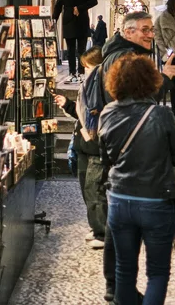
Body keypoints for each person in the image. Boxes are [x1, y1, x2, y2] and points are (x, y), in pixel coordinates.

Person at [91, 11, 175, 301]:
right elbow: (133, 102)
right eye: (143, 29)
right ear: (127, 32)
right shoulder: (124, 58)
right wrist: (164, 79)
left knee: (121, 241)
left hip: (123, 171)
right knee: (135, 256)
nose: (149, 34)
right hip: (133, 168)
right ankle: (113, 287)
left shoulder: (123, 53)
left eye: (151, 29)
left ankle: (117, 289)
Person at [63, 46, 107, 248]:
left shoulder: (102, 89)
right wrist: (66, 104)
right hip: (83, 144)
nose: (85, 72)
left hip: (96, 146)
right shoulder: (87, 89)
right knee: (86, 189)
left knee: (94, 189)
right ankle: (96, 227)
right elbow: (82, 116)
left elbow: (95, 117)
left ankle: (104, 232)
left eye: (88, 67)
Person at [52, 0, 99, 80]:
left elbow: (94, 1)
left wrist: (80, 8)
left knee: (81, 50)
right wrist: (53, 20)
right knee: (70, 50)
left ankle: (81, 73)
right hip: (68, 22)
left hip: (82, 22)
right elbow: (58, 6)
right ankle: (72, 73)